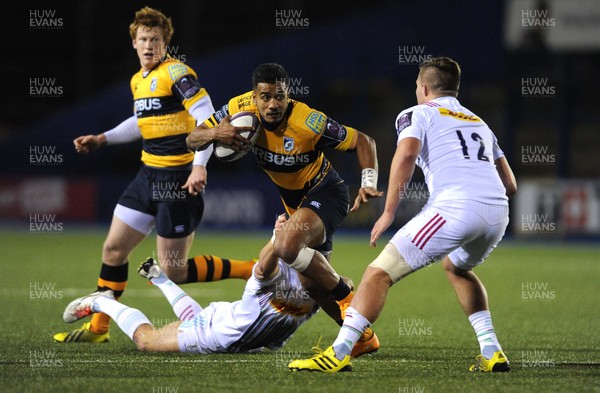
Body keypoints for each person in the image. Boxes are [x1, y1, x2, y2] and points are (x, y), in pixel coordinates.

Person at [288, 56, 518, 372]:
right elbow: (510, 184)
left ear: (422, 87)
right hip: (497, 213)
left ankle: (339, 353)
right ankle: (492, 351)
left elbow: (407, 153)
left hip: (455, 207)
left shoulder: (417, 113)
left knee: (377, 273)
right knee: (457, 268)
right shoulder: (479, 122)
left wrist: (388, 212)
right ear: (455, 88)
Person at [54, 7, 255, 344]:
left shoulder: (177, 73)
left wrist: (199, 166)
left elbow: (207, 120)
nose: (149, 45)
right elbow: (141, 122)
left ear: (165, 43)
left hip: (178, 180)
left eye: (156, 40)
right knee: (113, 250)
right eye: (143, 39)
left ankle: (249, 269)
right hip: (147, 175)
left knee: (173, 269)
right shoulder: (139, 80)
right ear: (134, 42)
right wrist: (102, 138)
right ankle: (98, 328)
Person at [186, 63, 384, 357]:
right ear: (254, 97)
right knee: (312, 286)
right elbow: (192, 138)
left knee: (285, 245)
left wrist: (368, 182)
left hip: (326, 193)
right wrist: (216, 132)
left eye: (280, 96)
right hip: (295, 205)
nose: (273, 104)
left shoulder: (308, 121)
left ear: (288, 95)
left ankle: (347, 296)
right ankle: (363, 337)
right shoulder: (237, 109)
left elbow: (363, 141)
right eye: (265, 97)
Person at [61, 216, 354, 355]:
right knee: (146, 342)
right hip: (216, 336)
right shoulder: (270, 277)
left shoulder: (321, 285)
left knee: (193, 319)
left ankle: (159, 278)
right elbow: (265, 264)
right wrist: (276, 238)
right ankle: (102, 300)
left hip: (231, 327)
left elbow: (345, 289)